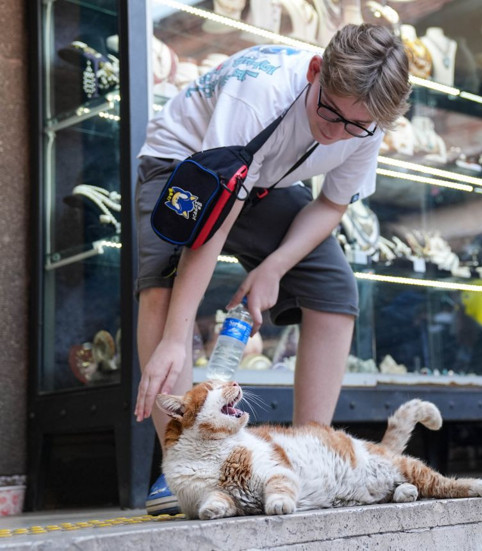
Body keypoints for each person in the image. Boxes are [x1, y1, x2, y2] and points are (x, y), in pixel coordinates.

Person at [133, 24, 411, 513]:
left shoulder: (368, 120)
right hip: (185, 163)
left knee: (333, 288)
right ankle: (180, 470)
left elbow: (331, 203)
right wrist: (178, 337)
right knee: (161, 289)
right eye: (330, 111)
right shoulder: (257, 96)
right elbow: (212, 218)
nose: (336, 131)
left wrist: (274, 268)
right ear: (315, 71)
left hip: (267, 180)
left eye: (354, 126)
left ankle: (312, 459)